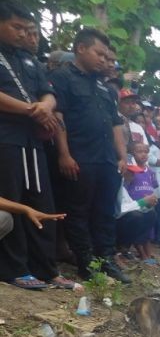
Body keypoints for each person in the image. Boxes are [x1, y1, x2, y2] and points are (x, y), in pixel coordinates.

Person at [0, 0, 73, 290]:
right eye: (17, 27)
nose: (23, 34)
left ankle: (47, 268)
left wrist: (45, 105)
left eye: (27, 28)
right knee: (13, 201)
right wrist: (33, 110)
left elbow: (48, 92)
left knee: (42, 202)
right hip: (5, 139)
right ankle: (14, 269)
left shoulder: (27, 58)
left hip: (33, 141)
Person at [50, 27, 131, 283]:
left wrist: (123, 156)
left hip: (107, 159)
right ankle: (87, 263)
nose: (103, 60)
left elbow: (115, 124)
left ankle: (106, 260)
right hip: (80, 156)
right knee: (78, 211)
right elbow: (58, 115)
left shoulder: (105, 88)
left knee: (105, 211)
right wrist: (64, 153)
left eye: (106, 56)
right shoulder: (62, 78)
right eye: (99, 53)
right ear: (81, 48)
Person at [116, 142, 158, 263]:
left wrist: (148, 204)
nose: (132, 174)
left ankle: (126, 249)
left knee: (150, 214)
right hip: (117, 221)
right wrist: (142, 202)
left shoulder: (149, 173)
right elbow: (120, 210)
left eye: (134, 172)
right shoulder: (119, 186)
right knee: (135, 216)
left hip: (132, 212)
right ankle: (119, 249)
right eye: (130, 172)